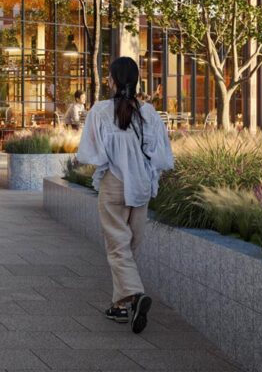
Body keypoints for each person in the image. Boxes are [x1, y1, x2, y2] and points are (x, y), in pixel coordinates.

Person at [76, 56, 175, 335]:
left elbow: (92, 153)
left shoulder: (101, 111)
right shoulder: (149, 113)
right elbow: (161, 155)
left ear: (112, 80)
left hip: (115, 184)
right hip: (141, 187)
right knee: (129, 247)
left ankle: (134, 293)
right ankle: (120, 306)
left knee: (118, 247)